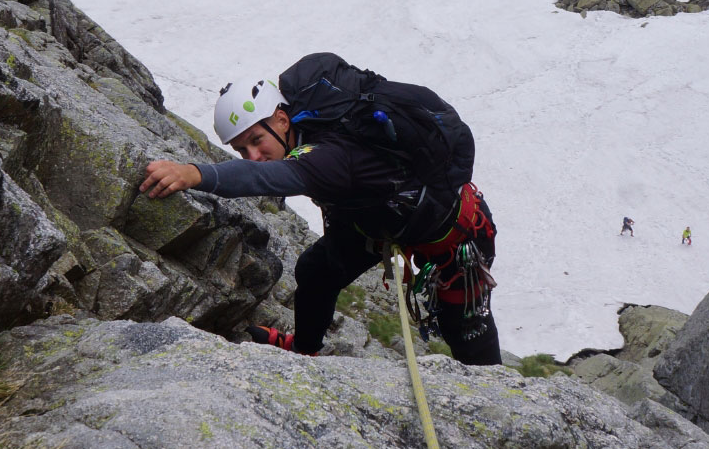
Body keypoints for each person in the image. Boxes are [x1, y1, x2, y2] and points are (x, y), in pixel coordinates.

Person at [139, 53, 502, 365]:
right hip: (375, 221)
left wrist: (194, 173)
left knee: (466, 327)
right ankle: (305, 349)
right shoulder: (311, 129)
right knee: (315, 271)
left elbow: (268, 179)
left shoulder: (330, 157)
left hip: (453, 234)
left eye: (256, 140)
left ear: (282, 120)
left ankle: (501, 397)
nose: (253, 155)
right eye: (241, 149)